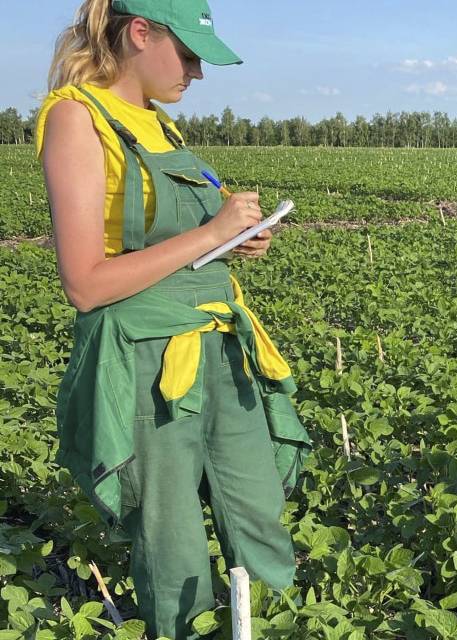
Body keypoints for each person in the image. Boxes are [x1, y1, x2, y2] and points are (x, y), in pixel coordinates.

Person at [36, 1, 311, 637]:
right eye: (188, 55)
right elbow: (84, 284)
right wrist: (209, 233)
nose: (197, 72)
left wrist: (236, 239)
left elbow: (182, 245)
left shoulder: (163, 125)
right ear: (140, 33)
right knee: (171, 538)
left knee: (259, 513)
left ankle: (281, 627)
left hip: (220, 346)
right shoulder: (77, 117)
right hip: (144, 356)